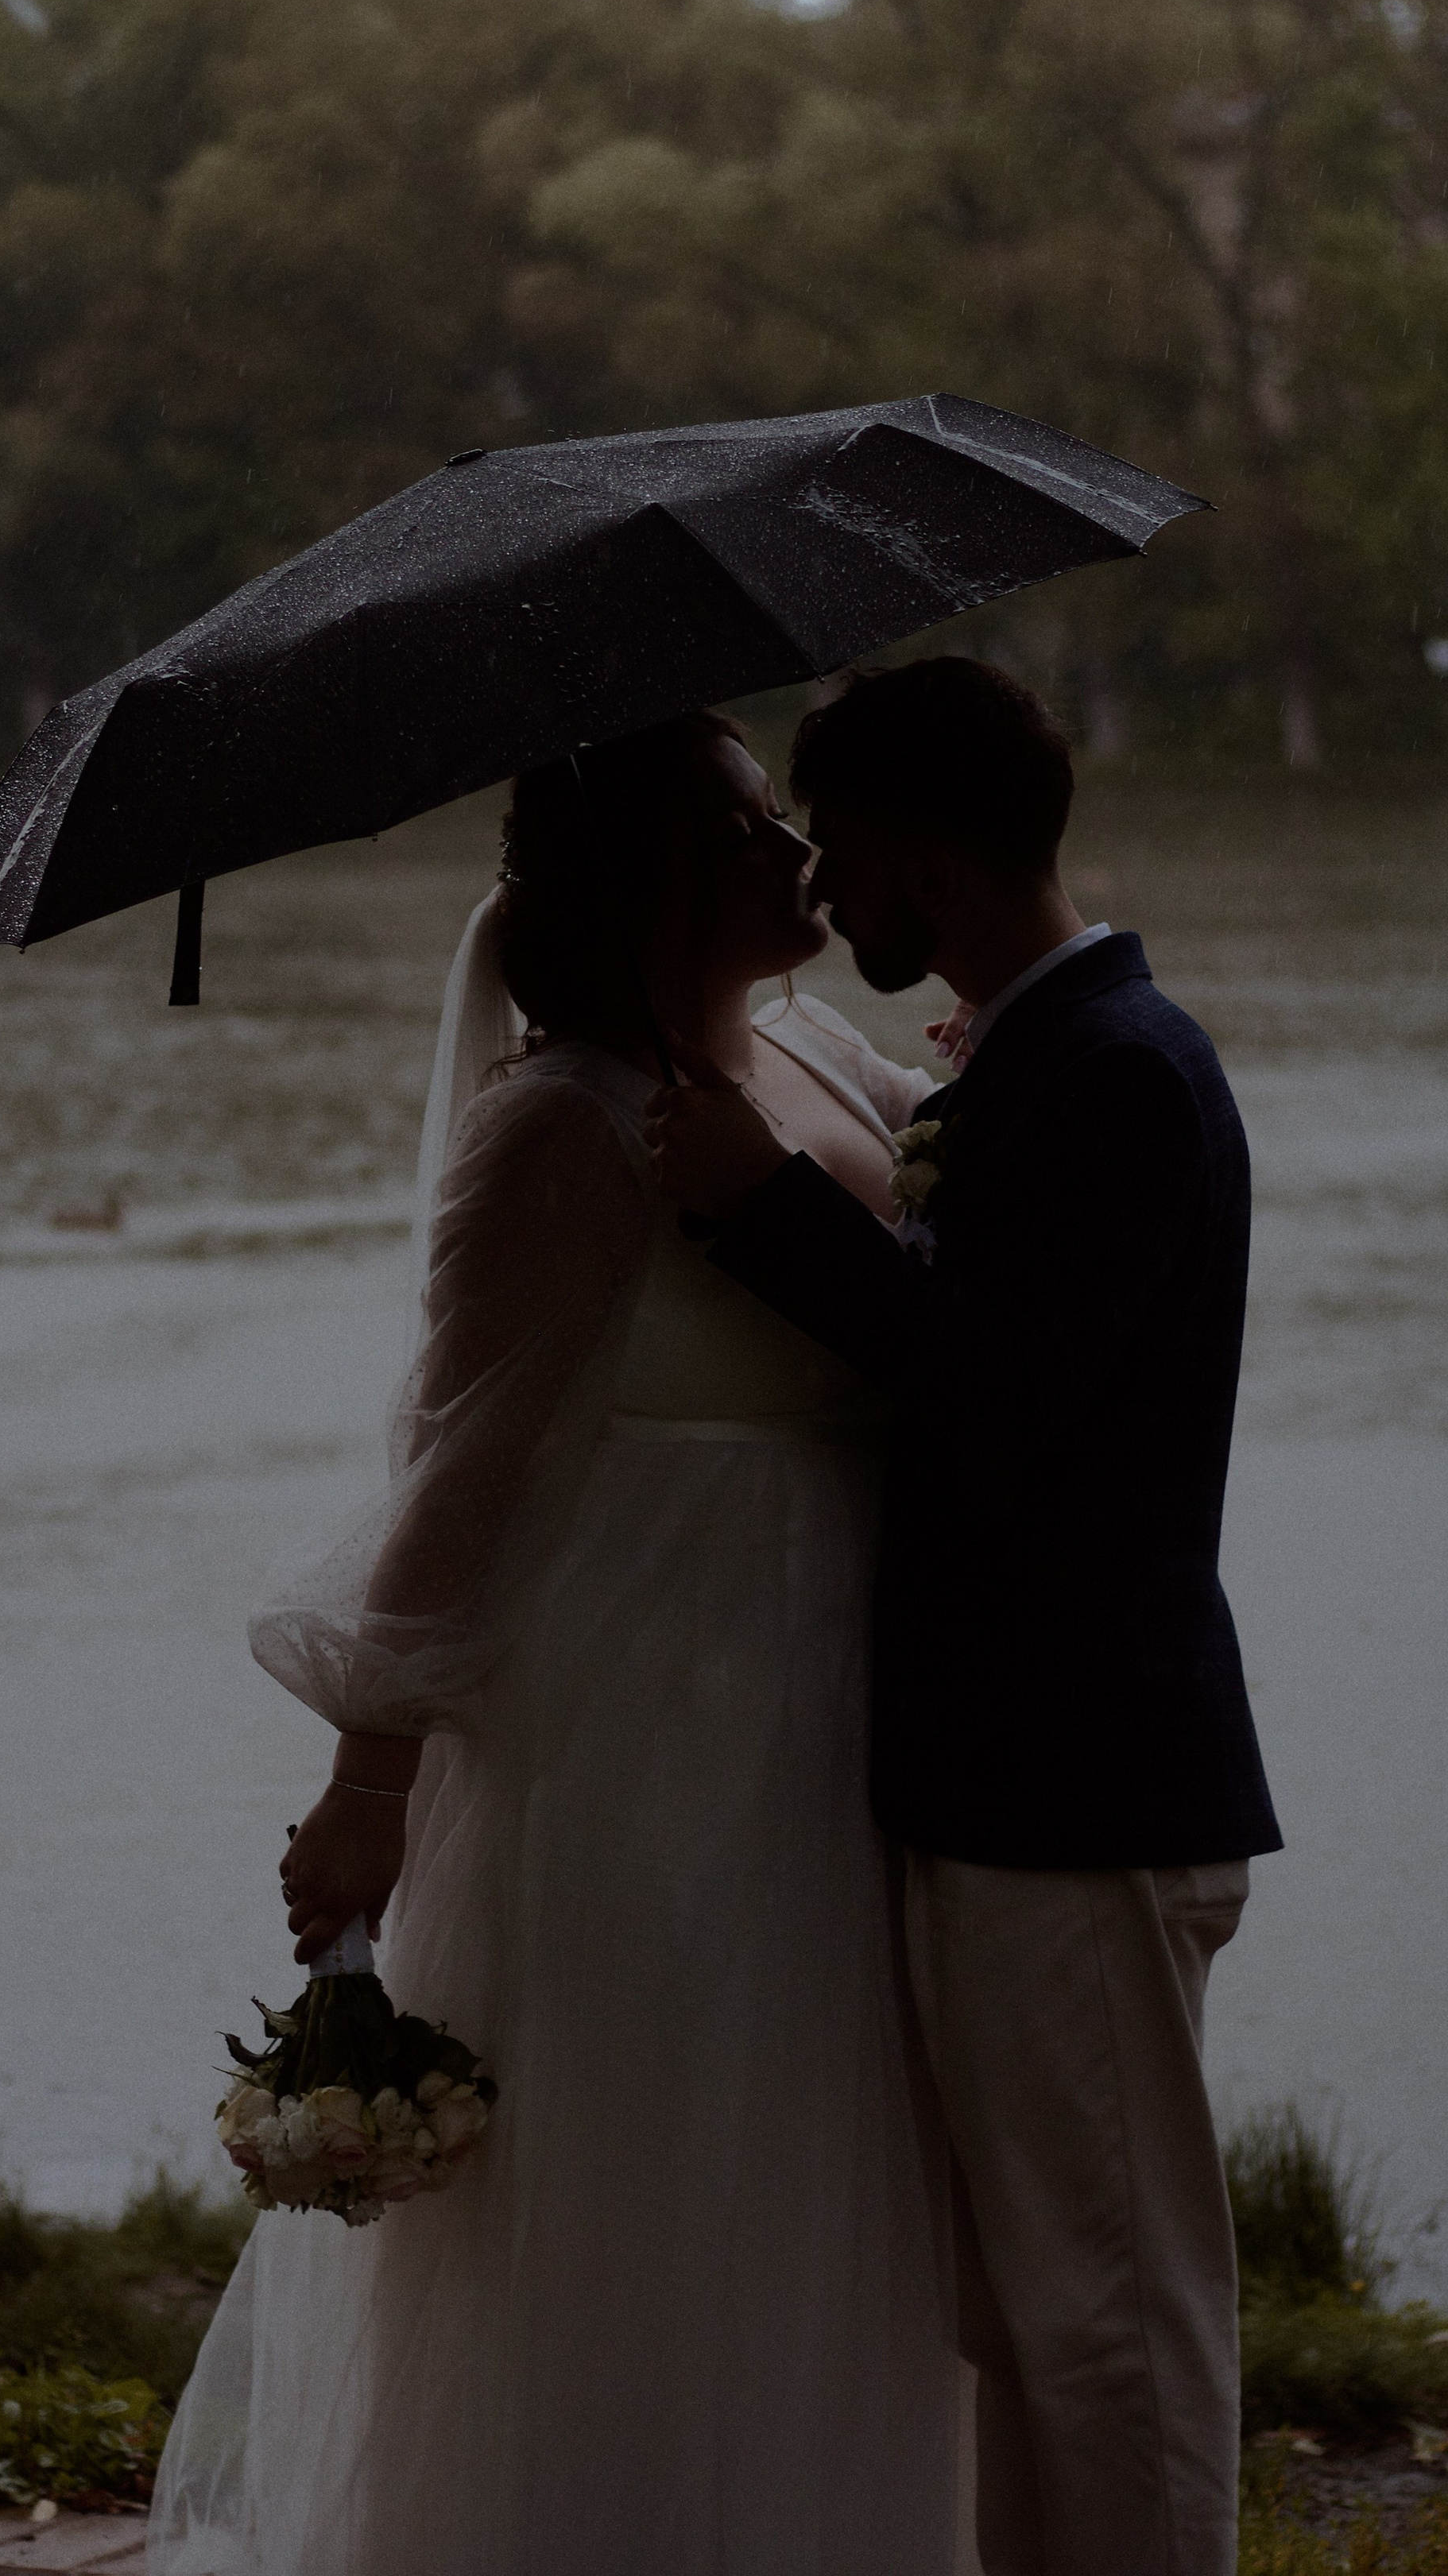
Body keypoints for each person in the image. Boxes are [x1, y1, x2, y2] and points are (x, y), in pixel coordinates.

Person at [149, 714, 969, 2576]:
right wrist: (366, 1784)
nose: (798, 857)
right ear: (652, 883)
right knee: (648, 2197)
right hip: (642, 1752)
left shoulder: (814, 1051)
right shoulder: (557, 1123)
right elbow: (461, 1483)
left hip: (836, 1721)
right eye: (754, 829)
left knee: (822, 2195)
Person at [645, 656, 1283, 2576]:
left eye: (837, 850)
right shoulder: (1035, 1056)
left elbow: (1004, 1391)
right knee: (1024, 2314)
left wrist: (767, 1208)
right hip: (1015, 1781)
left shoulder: (1114, 1075)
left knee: (1109, 2323)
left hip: (1078, 1789)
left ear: (927, 857)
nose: (822, 892)